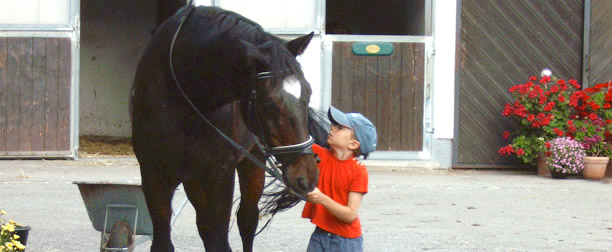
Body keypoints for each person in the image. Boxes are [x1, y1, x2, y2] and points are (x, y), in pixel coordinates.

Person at [302, 106, 377, 252]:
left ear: (353, 144)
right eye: (334, 125)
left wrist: (322, 199)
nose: (332, 128)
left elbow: (349, 215)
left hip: (346, 242)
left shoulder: (358, 171)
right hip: (320, 235)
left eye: (340, 128)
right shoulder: (319, 155)